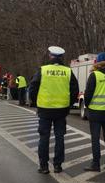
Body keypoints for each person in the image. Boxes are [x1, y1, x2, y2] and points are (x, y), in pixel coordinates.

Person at [29, 46, 79, 174]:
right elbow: (75, 90)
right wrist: (69, 103)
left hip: (45, 109)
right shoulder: (68, 71)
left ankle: (44, 166)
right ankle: (58, 165)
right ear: (61, 57)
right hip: (61, 110)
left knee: (44, 137)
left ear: (50, 56)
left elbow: (33, 86)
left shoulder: (43, 70)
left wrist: (35, 102)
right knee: (60, 137)